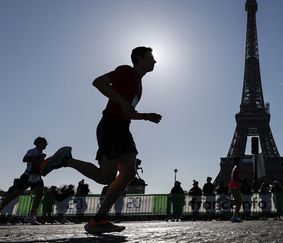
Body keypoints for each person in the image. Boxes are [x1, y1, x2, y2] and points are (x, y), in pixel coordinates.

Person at [40, 46, 162, 233]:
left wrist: (146, 116)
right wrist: (122, 102)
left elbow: (127, 111)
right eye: (151, 57)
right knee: (106, 177)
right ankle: (65, 160)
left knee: (129, 172)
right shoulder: (126, 71)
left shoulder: (138, 84)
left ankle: (99, 218)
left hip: (122, 128)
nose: (155, 61)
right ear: (139, 58)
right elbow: (98, 82)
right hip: (111, 126)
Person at [0, 137, 50, 225]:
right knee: (15, 194)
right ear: (38, 143)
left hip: (37, 177)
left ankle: (31, 215)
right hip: (27, 176)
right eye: (44, 143)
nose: (46, 144)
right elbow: (24, 159)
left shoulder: (42, 153)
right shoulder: (32, 151)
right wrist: (38, 157)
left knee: (40, 194)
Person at [228, 157, 243, 223]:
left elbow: (233, 177)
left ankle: (234, 217)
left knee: (238, 203)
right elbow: (234, 177)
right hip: (234, 186)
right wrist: (241, 180)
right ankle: (234, 217)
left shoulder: (234, 168)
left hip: (233, 185)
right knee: (239, 202)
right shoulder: (236, 168)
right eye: (239, 160)